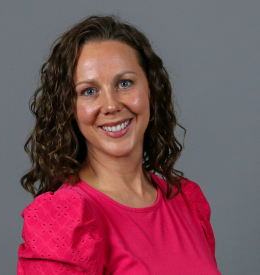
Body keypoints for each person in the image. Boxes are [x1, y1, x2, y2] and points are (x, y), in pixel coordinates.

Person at [17, 15, 221, 274]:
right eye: (89, 91)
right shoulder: (65, 219)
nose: (111, 105)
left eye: (124, 83)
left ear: (151, 89)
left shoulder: (187, 202)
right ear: (70, 108)